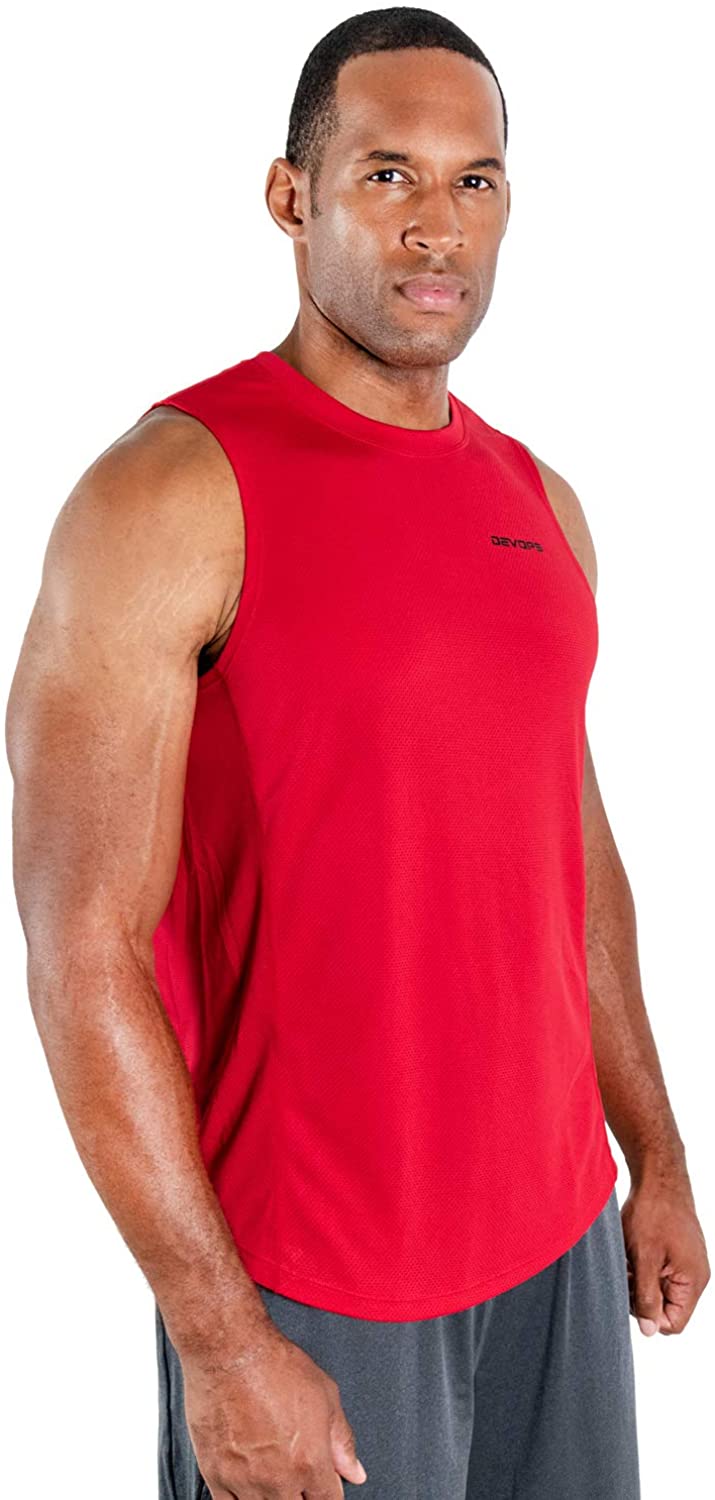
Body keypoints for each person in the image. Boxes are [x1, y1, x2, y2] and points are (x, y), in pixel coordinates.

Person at [5, 7, 710, 1499]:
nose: (436, 227)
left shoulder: (542, 502)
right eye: (388, 175)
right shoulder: (166, 494)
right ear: (292, 196)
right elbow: (80, 944)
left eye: (475, 181)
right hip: (318, 1283)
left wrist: (653, 1153)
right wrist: (219, 1341)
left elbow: (570, 855)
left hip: (557, 1252)